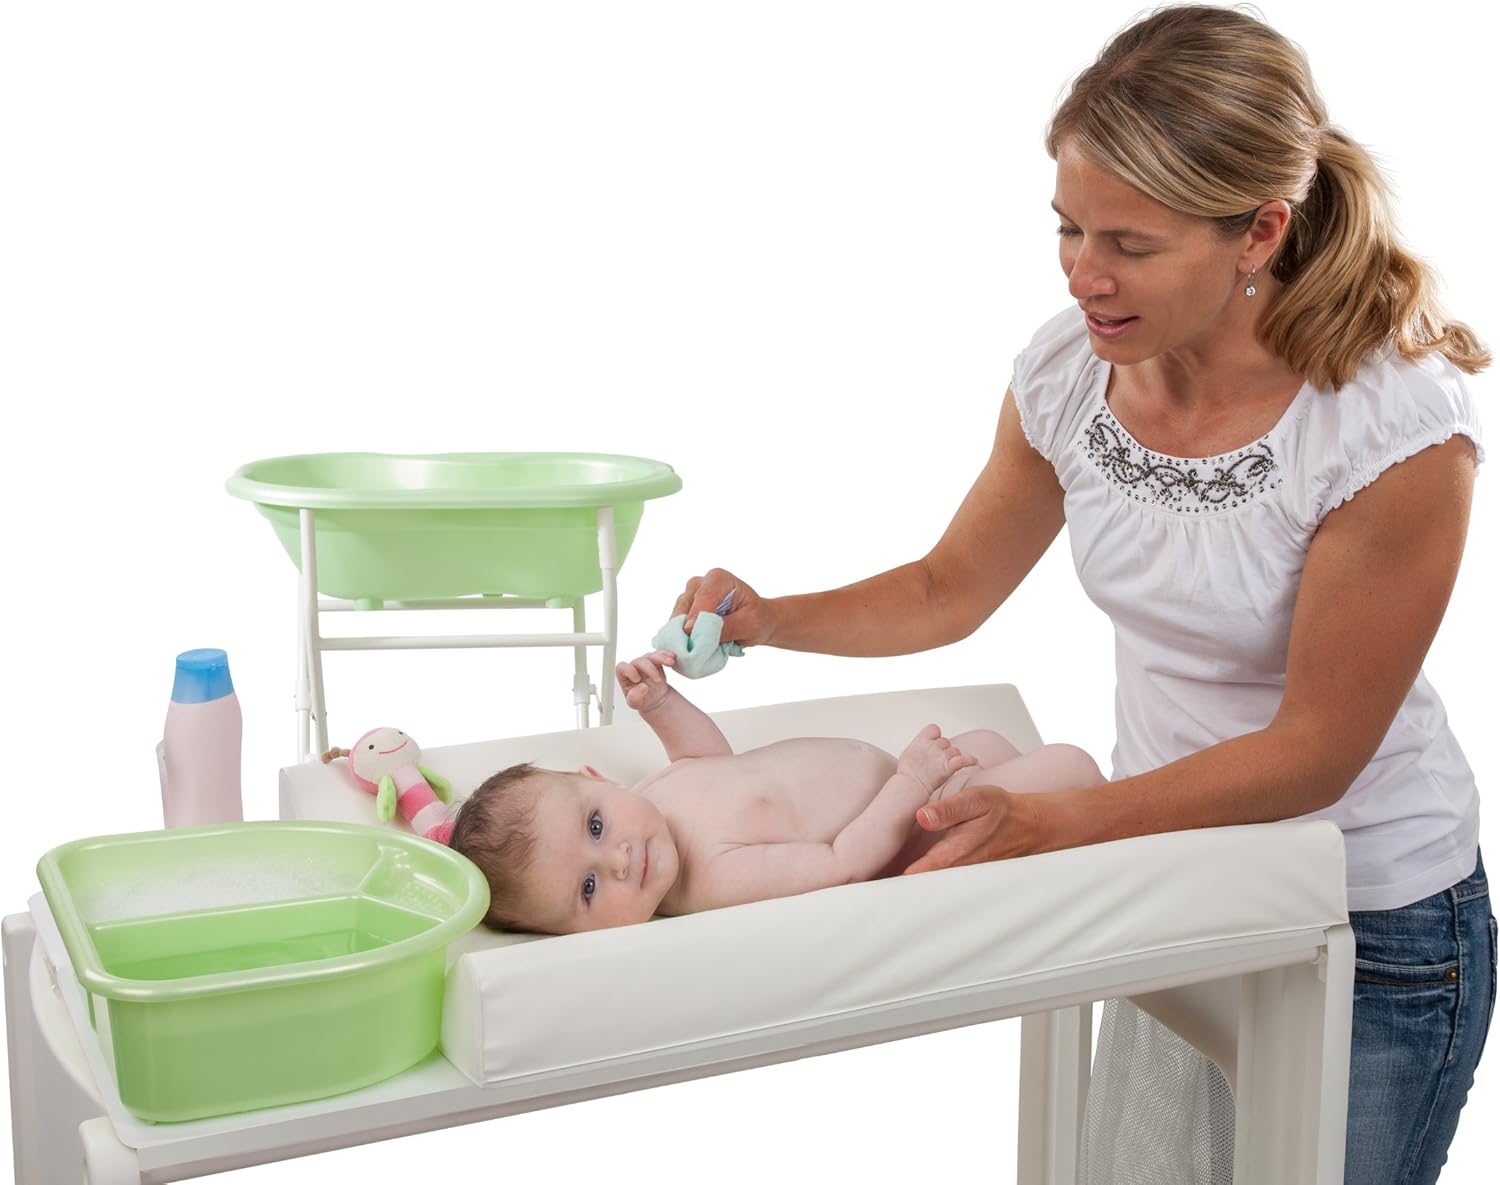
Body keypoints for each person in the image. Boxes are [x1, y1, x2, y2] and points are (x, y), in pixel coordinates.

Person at [671, 6, 1492, 1182]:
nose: (1084, 275)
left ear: (1259, 232)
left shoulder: (1387, 428)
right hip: (1172, 870)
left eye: (1131, 245)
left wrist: (1057, 826)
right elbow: (949, 587)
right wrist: (772, 619)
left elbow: (1315, 751)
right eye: (1068, 228)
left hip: (1369, 923)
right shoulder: (1071, 372)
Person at [449, 650, 1104, 934]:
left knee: (989, 739)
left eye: (595, 827)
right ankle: (1113, 839)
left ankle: (1043, 828)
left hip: (920, 782)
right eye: (589, 890)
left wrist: (662, 704)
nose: (617, 859)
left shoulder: (653, 796)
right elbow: (842, 863)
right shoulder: (708, 880)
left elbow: (706, 757)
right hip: (922, 826)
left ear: (598, 780)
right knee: (1068, 765)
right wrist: (912, 781)